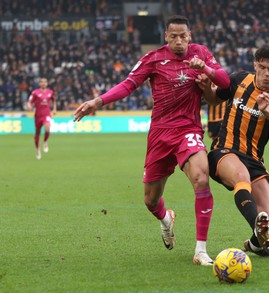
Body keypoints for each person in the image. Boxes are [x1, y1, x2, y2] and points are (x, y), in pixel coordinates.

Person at [73, 15, 230, 265]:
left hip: (188, 129)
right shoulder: (153, 58)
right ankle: (166, 218)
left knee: (201, 178)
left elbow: (224, 83)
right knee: (150, 200)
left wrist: (205, 71)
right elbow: (128, 85)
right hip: (160, 133)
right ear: (166, 36)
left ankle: (201, 251)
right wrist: (97, 101)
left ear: (190, 35)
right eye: (174, 36)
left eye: (183, 36)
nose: (179, 41)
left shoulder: (201, 54)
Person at [197, 43, 269, 257]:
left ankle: (254, 244)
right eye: (262, 67)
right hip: (224, 151)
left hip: (254, 160)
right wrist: (205, 88)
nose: (267, 73)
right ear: (255, 65)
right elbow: (213, 99)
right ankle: (259, 233)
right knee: (242, 177)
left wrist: (265, 108)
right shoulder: (239, 79)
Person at [27, 77, 56, 160]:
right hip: (38, 115)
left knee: (47, 129)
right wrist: (29, 106)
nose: (43, 83)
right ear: (39, 83)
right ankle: (37, 149)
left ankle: (45, 141)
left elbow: (54, 101)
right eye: (42, 82)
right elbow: (29, 101)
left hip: (46, 114)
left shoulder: (50, 92)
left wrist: (54, 109)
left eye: (45, 82)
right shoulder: (35, 92)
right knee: (37, 133)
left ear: (47, 83)